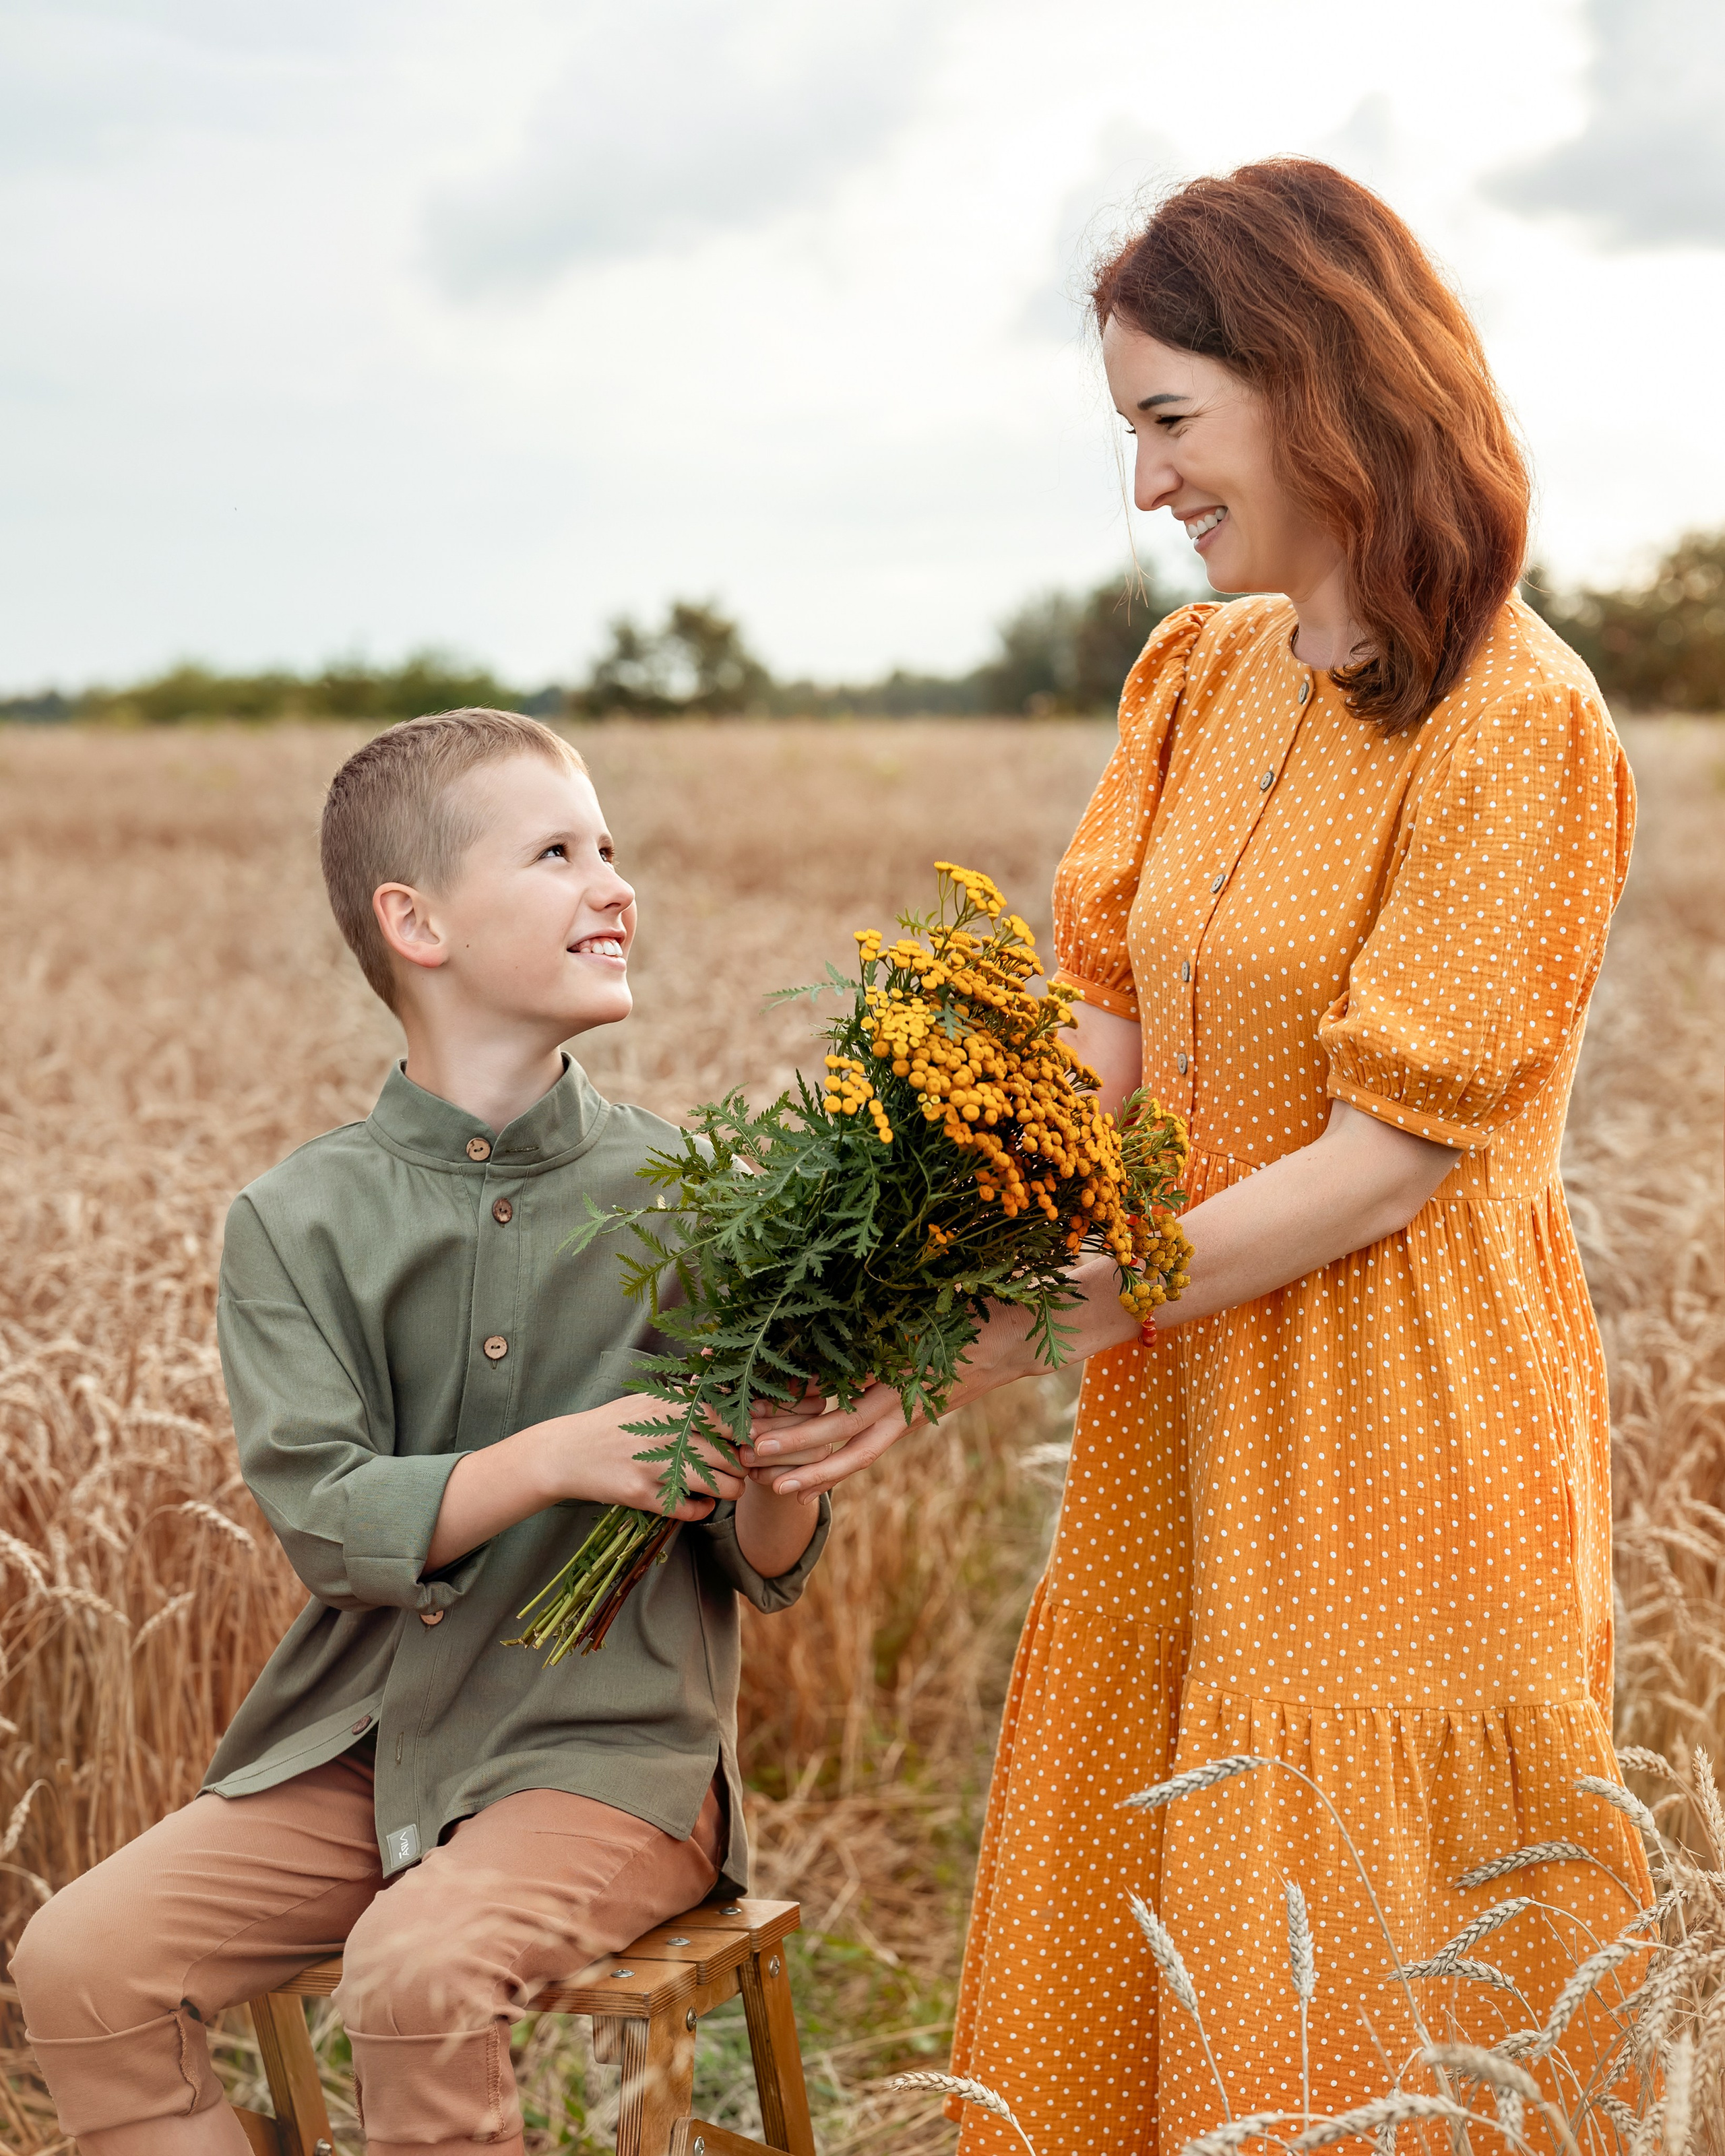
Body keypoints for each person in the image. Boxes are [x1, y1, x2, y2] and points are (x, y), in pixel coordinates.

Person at [743, 160, 1649, 2145]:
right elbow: (1101, 1045)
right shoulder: (1196, 678)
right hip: (1188, 1395)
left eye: (1170, 421)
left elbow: (1383, 1163)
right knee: (1170, 1879)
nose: (1147, 488)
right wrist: (902, 1277)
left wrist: (1049, 1320)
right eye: (1133, 429)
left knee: (1360, 1936)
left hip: (1398, 1419)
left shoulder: (1521, 722)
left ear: (1320, 384)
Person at [12, 709, 830, 2156]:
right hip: (359, 1751)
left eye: (613, 850)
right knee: (78, 1963)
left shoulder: (707, 1196)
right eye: (559, 852)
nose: (614, 885)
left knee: (417, 1966)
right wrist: (560, 1456)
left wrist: (779, 1457)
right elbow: (328, 1522)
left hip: (607, 1763)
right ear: (416, 922)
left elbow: (771, 1565)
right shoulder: (294, 1218)